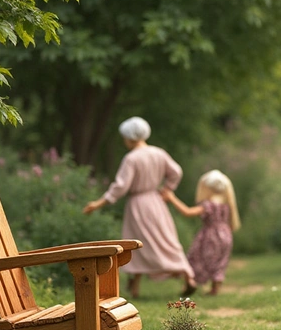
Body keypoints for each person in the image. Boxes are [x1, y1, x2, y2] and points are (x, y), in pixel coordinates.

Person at [83, 116, 197, 298]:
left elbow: (120, 186)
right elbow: (176, 172)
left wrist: (98, 203)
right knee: (167, 240)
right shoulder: (159, 153)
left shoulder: (131, 159)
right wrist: (167, 190)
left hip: (138, 205)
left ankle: (134, 288)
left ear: (129, 138)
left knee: (135, 244)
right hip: (156, 201)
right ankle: (188, 276)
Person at [162, 169, 240, 295]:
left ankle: (191, 282)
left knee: (196, 258)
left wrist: (172, 198)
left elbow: (188, 212)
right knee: (220, 261)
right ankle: (215, 289)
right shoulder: (226, 204)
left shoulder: (208, 204)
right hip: (226, 235)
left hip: (210, 236)